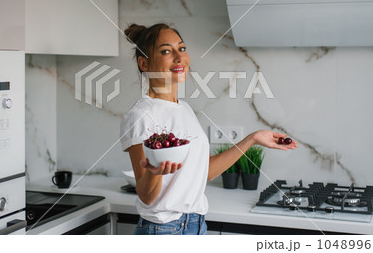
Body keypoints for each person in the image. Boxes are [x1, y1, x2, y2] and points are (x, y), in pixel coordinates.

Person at [119, 23, 298, 235]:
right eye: (166, 51)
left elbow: (208, 171)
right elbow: (146, 195)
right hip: (164, 230)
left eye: (182, 48)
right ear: (144, 64)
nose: (179, 57)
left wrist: (252, 139)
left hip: (197, 226)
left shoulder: (184, 108)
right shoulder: (141, 115)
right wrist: (155, 173)